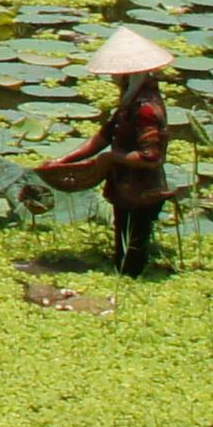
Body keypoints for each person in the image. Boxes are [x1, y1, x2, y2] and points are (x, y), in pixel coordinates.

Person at [41, 29, 175, 275]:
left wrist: (111, 158)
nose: (113, 77)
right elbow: (105, 136)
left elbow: (151, 157)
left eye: (116, 73)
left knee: (131, 256)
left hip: (143, 192)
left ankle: (131, 289)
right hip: (124, 187)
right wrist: (64, 161)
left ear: (127, 73)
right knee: (121, 246)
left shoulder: (146, 109)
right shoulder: (130, 101)